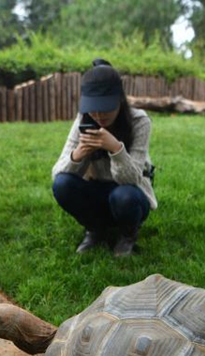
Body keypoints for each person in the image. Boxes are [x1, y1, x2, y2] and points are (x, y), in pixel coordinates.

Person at [52, 59, 157, 257]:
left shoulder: (139, 121)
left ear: (119, 99)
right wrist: (78, 154)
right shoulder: (82, 120)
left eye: (105, 107)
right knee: (62, 184)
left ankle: (127, 235)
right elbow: (57, 174)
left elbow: (132, 178)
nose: (99, 115)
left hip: (130, 195)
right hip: (96, 190)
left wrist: (116, 149)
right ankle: (95, 229)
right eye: (93, 107)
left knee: (123, 195)